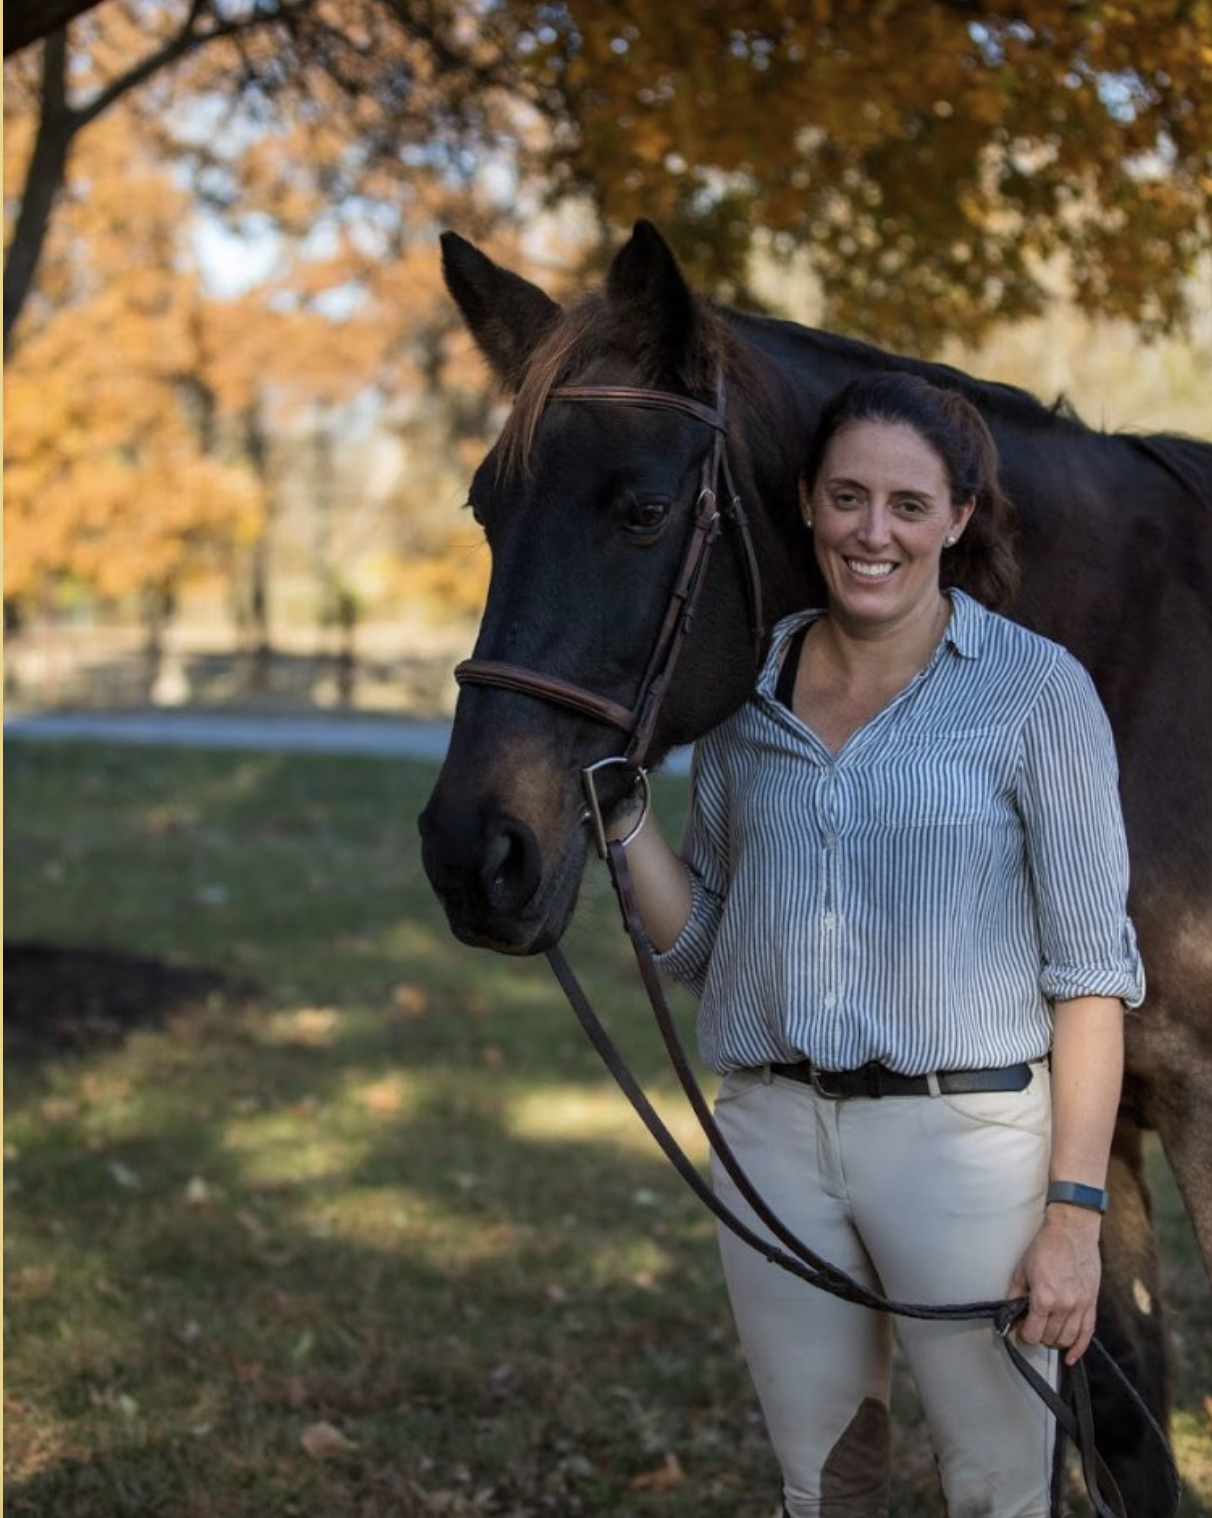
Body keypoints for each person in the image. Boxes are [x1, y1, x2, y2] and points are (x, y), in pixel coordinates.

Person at [607, 370, 1145, 1518]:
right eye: (848, 496)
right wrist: (624, 821)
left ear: (957, 517)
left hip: (967, 1150)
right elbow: (707, 938)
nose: (874, 531)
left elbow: (1093, 979)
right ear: (806, 501)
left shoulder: (1035, 694)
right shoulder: (743, 695)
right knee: (822, 1487)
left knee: (999, 1491)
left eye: (909, 504)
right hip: (771, 1137)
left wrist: (1072, 1218)